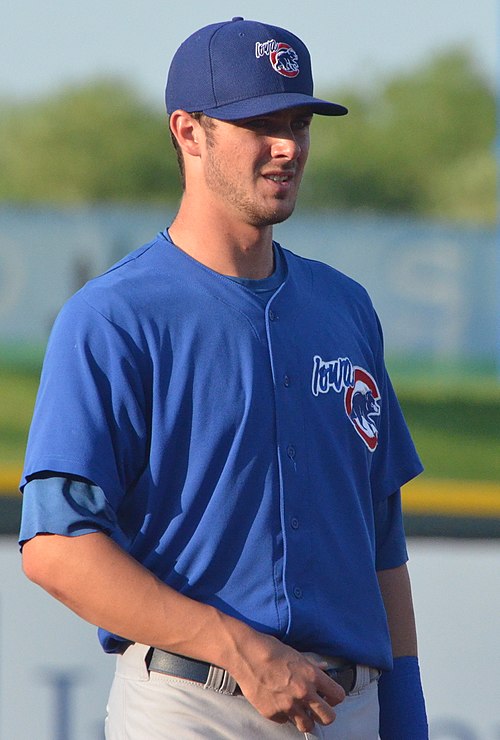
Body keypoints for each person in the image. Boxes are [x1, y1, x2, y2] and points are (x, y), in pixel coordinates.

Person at [19, 17, 428, 740]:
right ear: (188, 131)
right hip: (193, 705)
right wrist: (236, 647)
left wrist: (408, 715)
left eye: (298, 121)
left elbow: (381, 542)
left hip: (349, 705)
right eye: (258, 123)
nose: (287, 146)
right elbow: (56, 547)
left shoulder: (346, 307)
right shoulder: (113, 316)